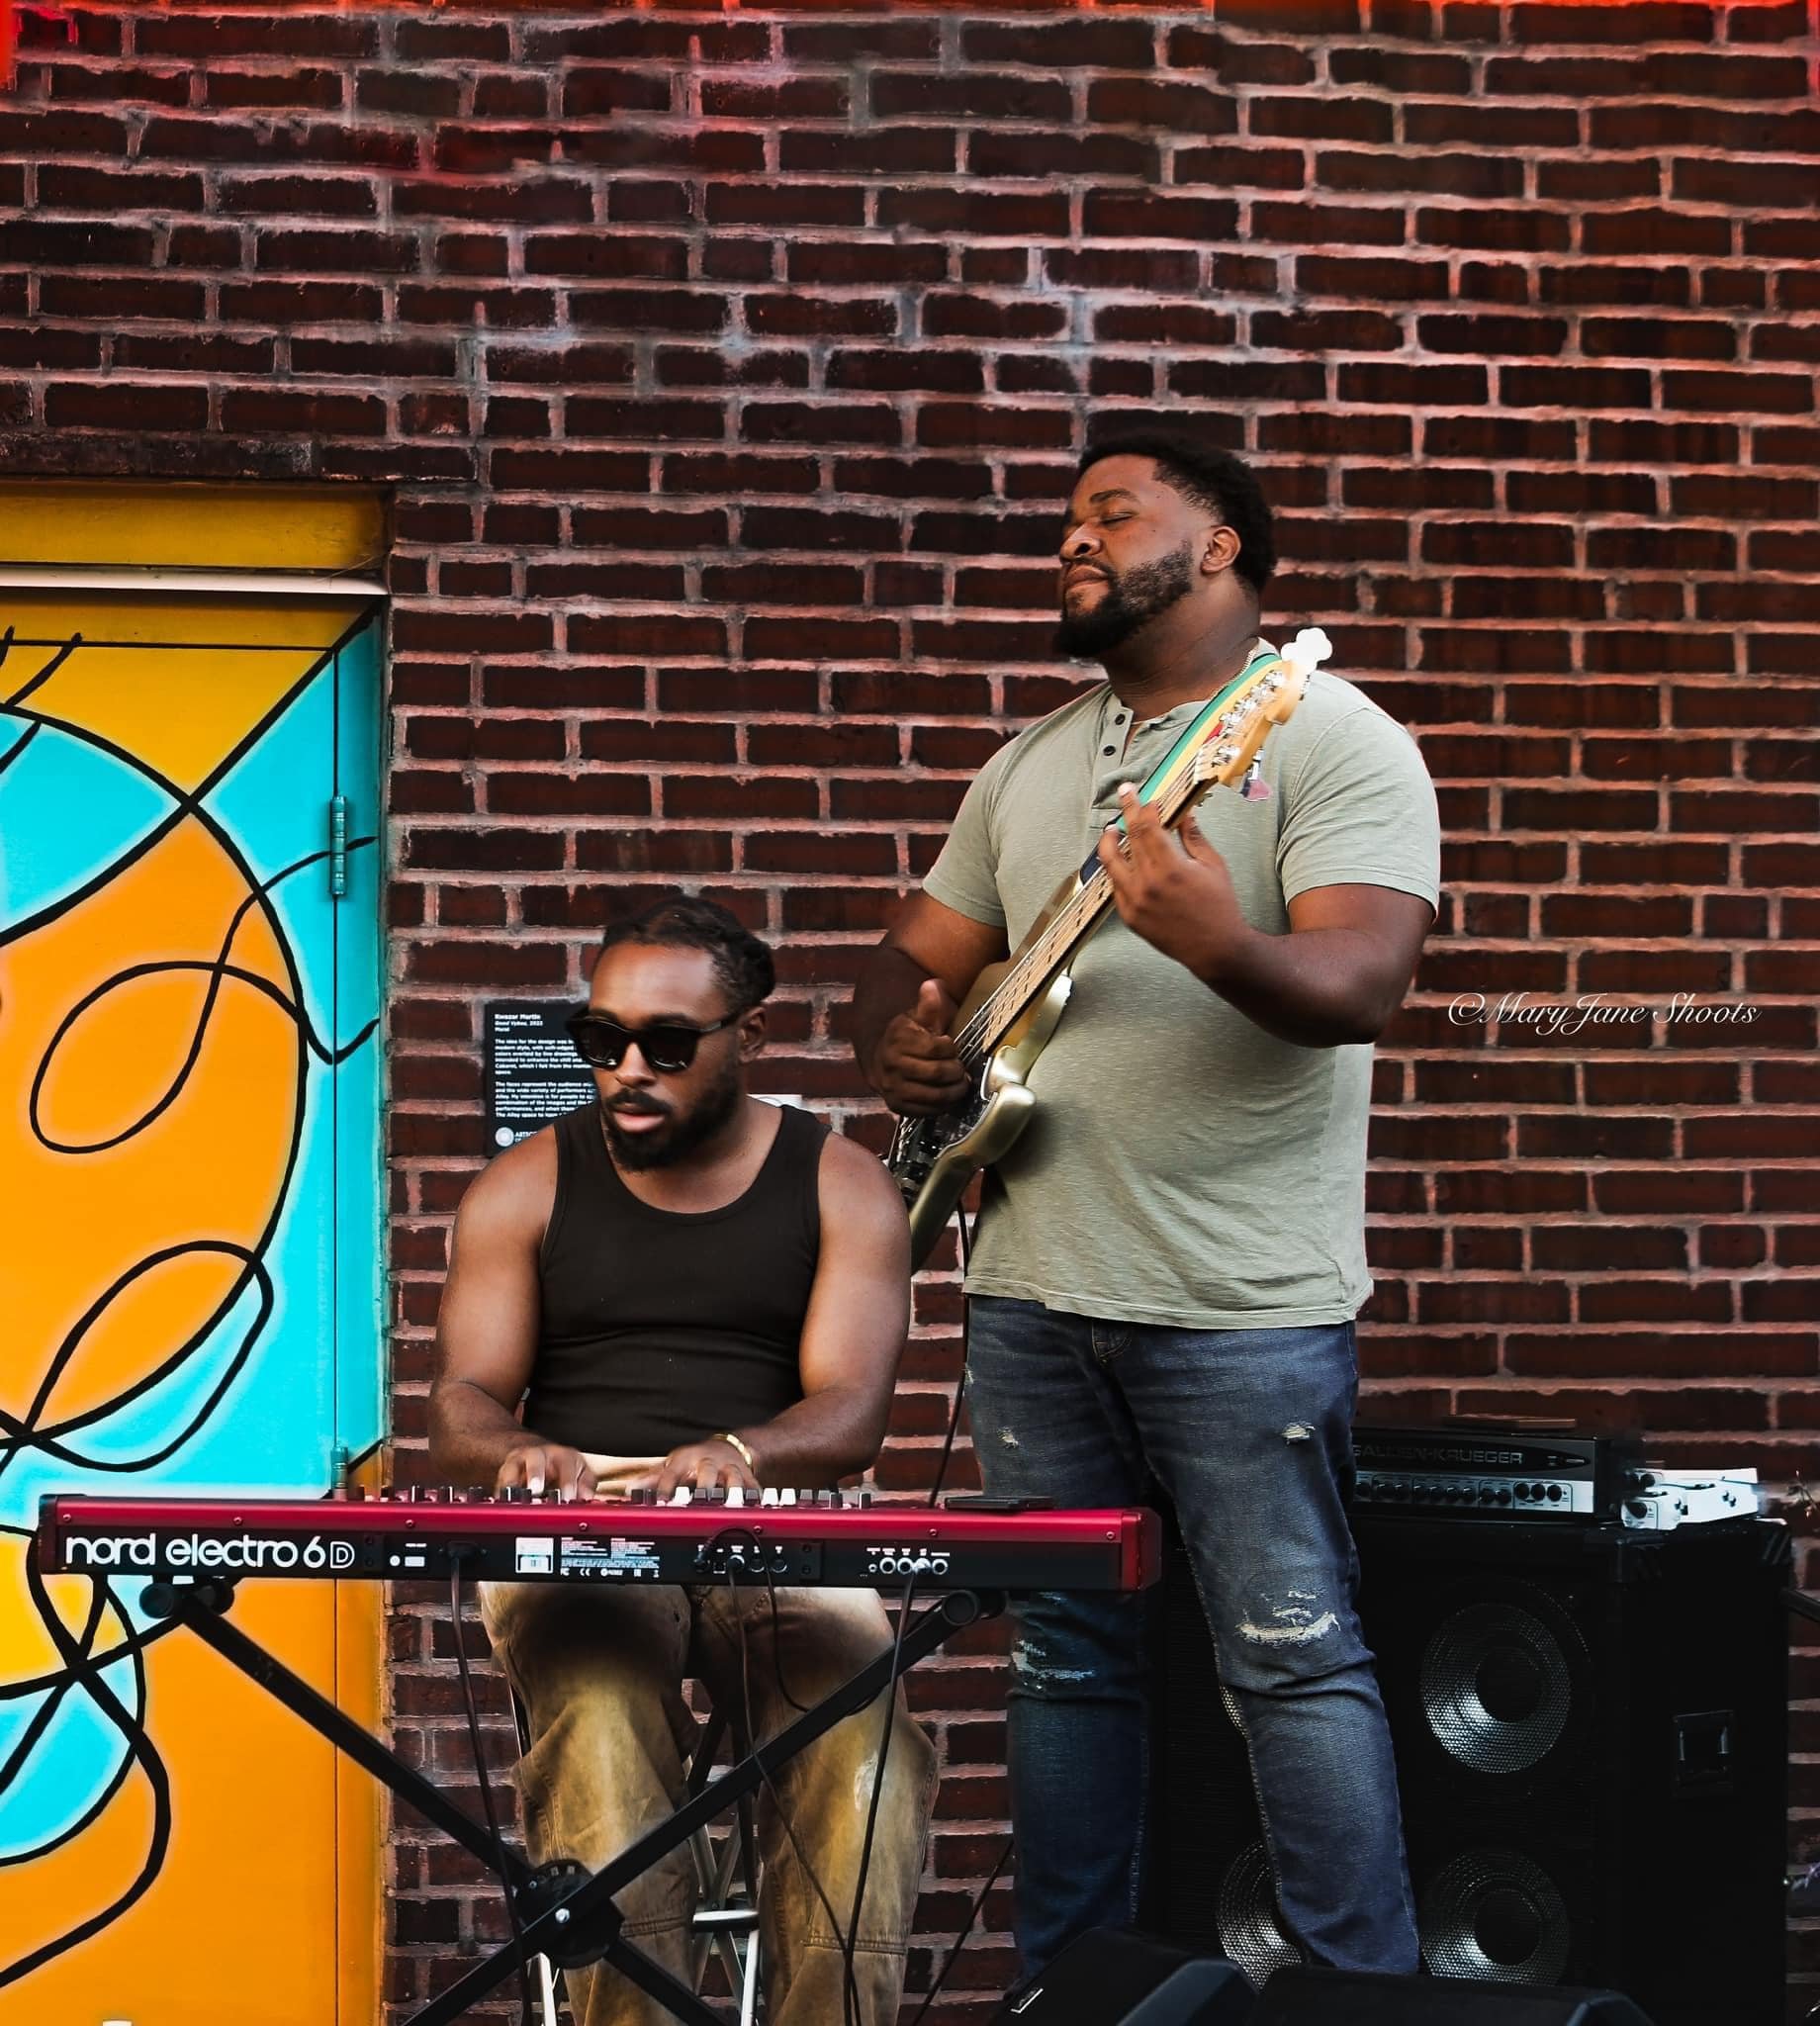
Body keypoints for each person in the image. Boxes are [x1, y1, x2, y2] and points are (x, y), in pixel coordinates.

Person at [851, 430, 1440, 1980]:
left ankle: (1355, 2007)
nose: (1074, 539)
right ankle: (1074, 1993)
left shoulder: (1328, 741)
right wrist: (910, 1040)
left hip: (1241, 1306)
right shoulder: (1032, 762)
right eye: (1066, 520)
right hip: (1033, 1291)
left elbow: (1359, 983)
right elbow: (918, 960)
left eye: (1113, 514)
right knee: (1064, 1664)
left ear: (1226, 547)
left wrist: (1210, 936)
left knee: (1294, 1668)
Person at [430, 897, 934, 2026]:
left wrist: (740, 1451)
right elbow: (458, 1405)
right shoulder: (524, 1184)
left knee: (866, 1757)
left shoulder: (837, 1179)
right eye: (599, 1039)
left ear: (748, 1036)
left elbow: (852, 1411)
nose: (626, 1070)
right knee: (602, 1744)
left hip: (768, 1506)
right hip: (582, 1513)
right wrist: (520, 1453)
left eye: (666, 1042)